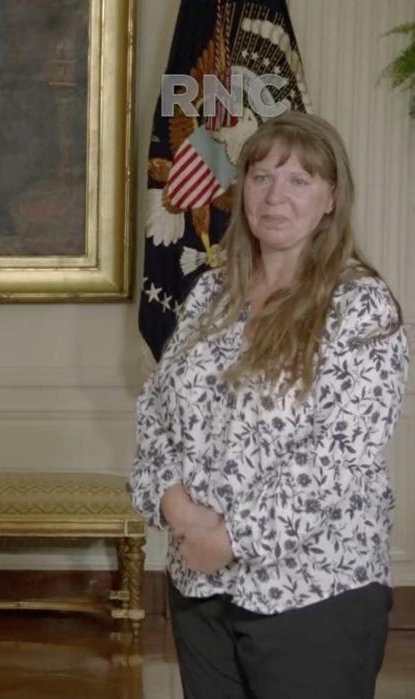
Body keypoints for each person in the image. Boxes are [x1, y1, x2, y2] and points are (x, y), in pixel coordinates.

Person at [130, 111, 408, 699]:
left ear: (331, 198)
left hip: (313, 594)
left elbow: (335, 462)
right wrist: (175, 508)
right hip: (199, 587)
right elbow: (155, 413)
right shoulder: (210, 292)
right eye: (261, 177)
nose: (275, 197)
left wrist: (229, 540)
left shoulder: (360, 307)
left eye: (299, 181)